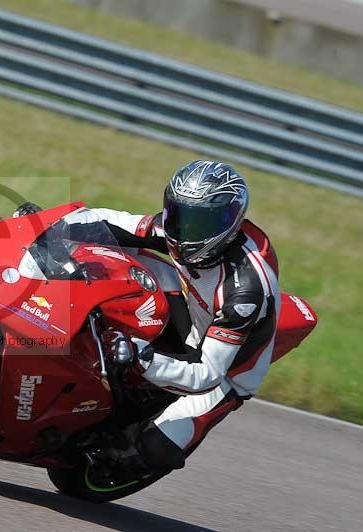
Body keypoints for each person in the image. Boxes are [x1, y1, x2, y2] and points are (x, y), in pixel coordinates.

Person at [26, 160, 281, 474]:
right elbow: (113, 222)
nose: (185, 230)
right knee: (103, 258)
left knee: (157, 449)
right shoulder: (177, 228)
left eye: (199, 223)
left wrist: (141, 358)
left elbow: (207, 373)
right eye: (180, 215)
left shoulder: (246, 291)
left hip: (224, 369)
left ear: (230, 223)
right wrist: (52, 224)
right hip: (192, 307)